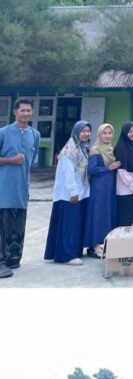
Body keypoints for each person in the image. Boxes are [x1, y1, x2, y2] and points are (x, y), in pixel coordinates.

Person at [0, 98, 39, 277]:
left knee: (17, 224)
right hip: (4, 187)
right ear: (15, 112)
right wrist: (11, 160)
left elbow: (30, 162)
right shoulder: (4, 133)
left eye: (28, 110)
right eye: (22, 110)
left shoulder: (35, 134)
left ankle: (12, 258)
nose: (26, 113)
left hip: (22, 188)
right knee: (3, 224)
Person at [44, 120, 91, 265]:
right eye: (83, 131)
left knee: (74, 224)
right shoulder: (69, 150)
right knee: (69, 224)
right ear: (76, 132)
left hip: (80, 191)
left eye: (88, 131)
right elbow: (67, 173)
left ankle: (71, 252)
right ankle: (66, 256)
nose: (86, 134)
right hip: (69, 194)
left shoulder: (82, 147)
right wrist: (73, 191)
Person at [84, 123, 120, 256]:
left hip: (110, 187)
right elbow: (91, 169)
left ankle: (104, 243)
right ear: (99, 134)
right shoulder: (95, 150)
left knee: (107, 214)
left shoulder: (111, 149)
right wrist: (108, 168)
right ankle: (94, 245)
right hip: (99, 187)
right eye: (104, 133)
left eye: (110, 133)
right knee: (98, 214)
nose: (107, 136)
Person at [113, 122, 133, 226]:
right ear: (124, 133)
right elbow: (121, 171)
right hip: (124, 189)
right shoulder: (120, 148)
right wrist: (132, 187)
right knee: (125, 217)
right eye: (130, 131)